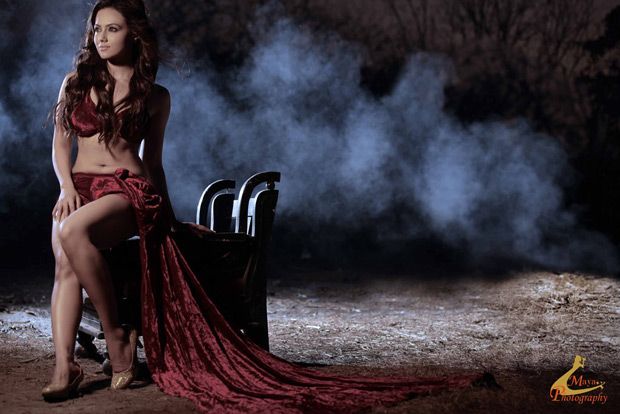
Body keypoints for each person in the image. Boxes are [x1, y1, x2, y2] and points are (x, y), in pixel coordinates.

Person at [44, 0, 489, 412]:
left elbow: (153, 163)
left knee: (72, 232)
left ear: (134, 34)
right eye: (97, 29)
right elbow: (61, 145)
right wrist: (66, 187)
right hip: (78, 187)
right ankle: (66, 368)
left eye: (113, 28)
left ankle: (117, 335)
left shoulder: (155, 96)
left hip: (128, 191)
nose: (102, 37)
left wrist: (168, 219)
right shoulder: (76, 83)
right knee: (65, 261)